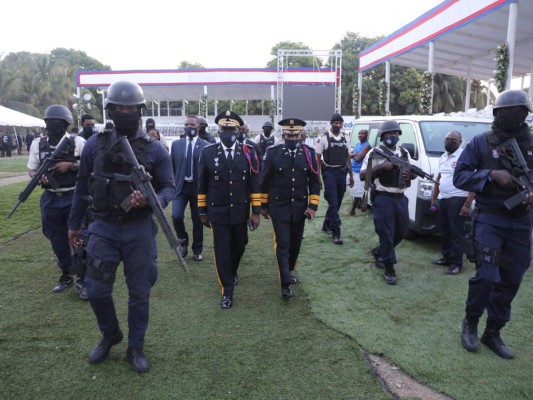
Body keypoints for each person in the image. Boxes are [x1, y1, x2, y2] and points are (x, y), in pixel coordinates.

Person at [68, 81, 175, 372]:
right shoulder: (94, 144)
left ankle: (135, 347)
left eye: (131, 108)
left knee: (139, 292)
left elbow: (169, 187)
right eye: (119, 108)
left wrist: (152, 201)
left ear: (140, 110)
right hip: (103, 226)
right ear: (111, 110)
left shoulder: (155, 149)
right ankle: (110, 334)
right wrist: (74, 225)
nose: (125, 112)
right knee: (96, 288)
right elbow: (81, 187)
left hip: (139, 229)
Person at [453, 89, 533, 359]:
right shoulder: (482, 143)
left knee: (511, 279)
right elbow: (460, 176)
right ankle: (471, 323)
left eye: (520, 112)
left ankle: (493, 332)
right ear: (498, 114)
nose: (515, 116)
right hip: (490, 217)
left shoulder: (531, 143)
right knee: (487, 276)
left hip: (522, 222)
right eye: (509, 112)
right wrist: (491, 175)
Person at [197, 110, 261, 310]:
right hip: (218, 211)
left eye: (231, 128)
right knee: (222, 250)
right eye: (224, 128)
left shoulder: (249, 152)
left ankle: (231, 271)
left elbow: (254, 183)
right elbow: (202, 184)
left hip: (240, 211)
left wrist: (256, 211)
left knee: (241, 244)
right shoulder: (207, 153)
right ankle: (227, 290)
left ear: (238, 129)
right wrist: (202, 211)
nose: (227, 132)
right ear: (219, 130)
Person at [27, 105, 87, 297]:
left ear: (65, 124)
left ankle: (83, 279)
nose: (52, 125)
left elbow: (90, 167)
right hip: (50, 198)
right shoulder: (38, 144)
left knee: (78, 238)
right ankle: (66, 274)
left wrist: (71, 166)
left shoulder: (78, 142)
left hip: (73, 196)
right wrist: (38, 177)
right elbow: (31, 169)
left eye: (57, 122)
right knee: (56, 239)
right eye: (49, 122)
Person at [260, 118, 320, 299]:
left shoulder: (309, 154)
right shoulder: (273, 153)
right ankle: (285, 283)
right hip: (279, 207)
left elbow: (314, 183)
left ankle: (289, 271)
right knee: (283, 244)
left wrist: (312, 206)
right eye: (288, 134)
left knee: (295, 244)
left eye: (295, 134)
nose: (292, 138)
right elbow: (264, 181)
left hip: (300, 208)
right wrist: (263, 206)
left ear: (301, 135)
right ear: (283, 134)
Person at [360, 120, 416, 285]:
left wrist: (410, 175)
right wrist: (381, 167)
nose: (392, 136)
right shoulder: (375, 153)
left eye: (395, 133)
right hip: (383, 197)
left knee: (402, 230)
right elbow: (363, 175)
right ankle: (389, 268)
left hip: (401, 197)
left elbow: (412, 172)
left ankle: (379, 252)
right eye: (389, 133)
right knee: (386, 233)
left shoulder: (404, 152)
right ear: (382, 136)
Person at [430, 130, 475, 275]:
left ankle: (456, 264)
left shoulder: (465, 156)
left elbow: (473, 181)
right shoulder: (443, 157)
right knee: (444, 231)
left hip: (458, 199)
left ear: (460, 142)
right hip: (443, 199)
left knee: (457, 233)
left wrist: (467, 204)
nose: (449, 141)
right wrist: (434, 198)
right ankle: (447, 258)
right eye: (447, 139)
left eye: (453, 140)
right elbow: (439, 178)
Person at [170, 115, 209, 261]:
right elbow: (171, 166)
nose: (190, 127)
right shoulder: (176, 145)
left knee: (197, 220)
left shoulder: (205, 146)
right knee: (176, 216)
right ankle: (183, 241)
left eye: (192, 125)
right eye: (187, 124)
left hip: (197, 188)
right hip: (181, 187)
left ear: (198, 127)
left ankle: (197, 250)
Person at [315, 113, 354, 244]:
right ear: (331, 123)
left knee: (337, 202)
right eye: (335, 123)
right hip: (329, 173)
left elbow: (348, 156)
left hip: (342, 173)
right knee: (333, 202)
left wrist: (351, 175)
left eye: (340, 123)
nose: (338, 125)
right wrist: (318, 178)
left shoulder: (345, 137)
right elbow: (317, 159)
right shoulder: (323, 138)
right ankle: (336, 231)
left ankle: (326, 223)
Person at [346, 129, 371, 216]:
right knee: (352, 190)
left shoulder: (367, 146)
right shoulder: (357, 144)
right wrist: (355, 154)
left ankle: (352, 211)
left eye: (362, 134)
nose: (360, 135)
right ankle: (354, 207)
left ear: (366, 135)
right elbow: (349, 155)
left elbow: (358, 158)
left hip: (358, 171)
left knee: (356, 192)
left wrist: (354, 155)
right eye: (359, 133)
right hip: (351, 170)